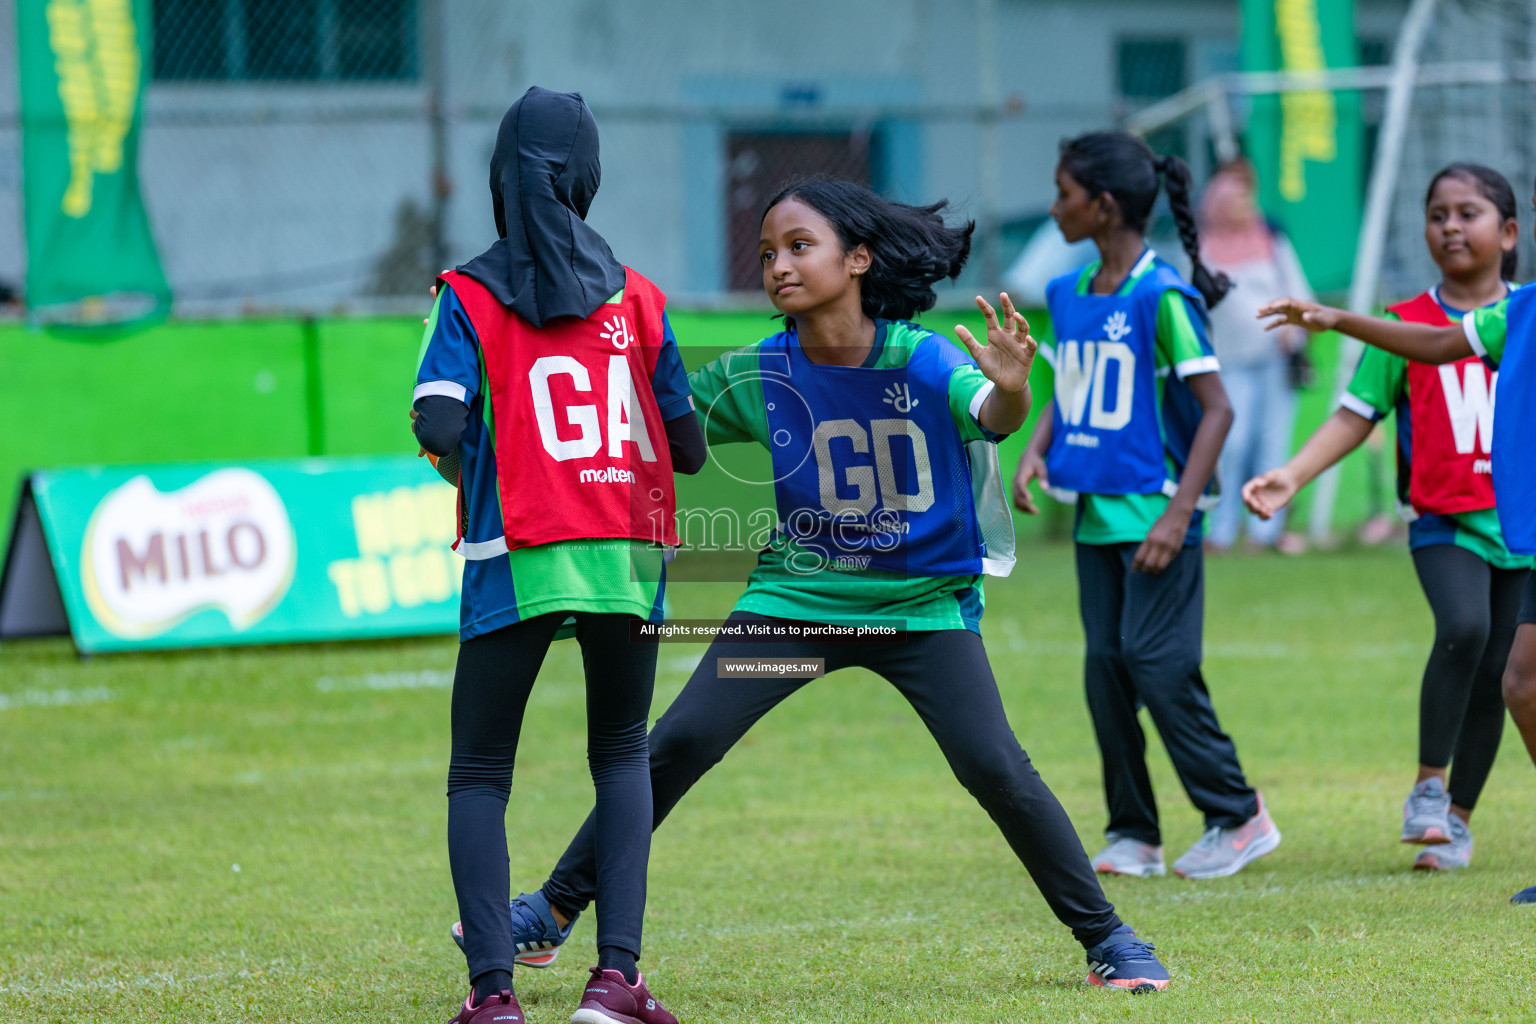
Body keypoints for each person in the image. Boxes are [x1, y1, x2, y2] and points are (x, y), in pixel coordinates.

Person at [454, 177, 1176, 992]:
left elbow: (994, 417)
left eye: (800, 247)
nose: (779, 267)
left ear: (858, 258)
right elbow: (650, 417)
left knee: (995, 767)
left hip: (918, 614)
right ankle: (551, 911)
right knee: (679, 742)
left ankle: (1109, 938)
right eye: (767, 254)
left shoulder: (922, 354)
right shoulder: (761, 369)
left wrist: (1012, 384)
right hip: (793, 611)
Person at [412, 87, 706, 1024]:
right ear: (586, 178)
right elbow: (689, 449)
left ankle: (494, 996)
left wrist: (491, 456)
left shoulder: (465, 295)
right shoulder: (638, 295)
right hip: (625, 555)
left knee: (480, 775)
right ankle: (616, 984)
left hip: (516, 553)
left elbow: (440, 421)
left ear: (501, 175)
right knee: (621, 756)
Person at [1257, 174, 1536, 905]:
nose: (1450, 227)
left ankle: (1459, 820)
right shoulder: (1410, 323)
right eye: (1436, 214)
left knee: (1505, 679)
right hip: (1446, 519)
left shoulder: (1521, 314)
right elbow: (1356, 414)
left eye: (1467, 214)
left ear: (1508, 232)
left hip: (1522, 530)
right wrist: (1292, 474)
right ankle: (1428, 785)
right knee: (1465, 628)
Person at [1013, 131, 1280, 881]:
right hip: (1097, 514)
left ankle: (1238, 814)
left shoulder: (1161, 295)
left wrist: (1178, 514)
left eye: (1064, 193)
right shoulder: (1070, 295)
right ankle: (1134, 832)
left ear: (1101, 207)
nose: (1054, 205)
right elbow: (1073, 387)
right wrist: (1036, 449)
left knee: (1158, 666)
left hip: (1157, 513)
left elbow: (1217, 410)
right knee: (1106, 670)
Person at [1198, 158, 1313, 554]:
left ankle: (1265, 531)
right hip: (1227, 361)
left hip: (1275, 359)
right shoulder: (1201, 247)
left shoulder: (1271, 238)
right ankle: (1222, 529)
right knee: (1232, 442)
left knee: (1272, 443)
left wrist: (1293, 331)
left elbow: (1298, 291)